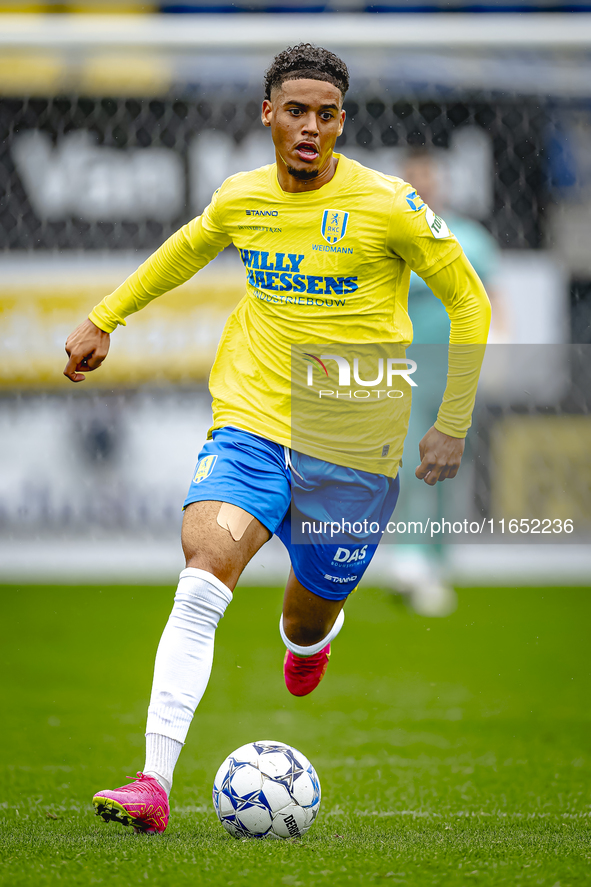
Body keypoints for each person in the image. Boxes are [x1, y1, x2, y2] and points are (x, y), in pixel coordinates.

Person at [63, 44, 491, 835]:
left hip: (353, 446)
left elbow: (469, 304)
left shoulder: (389, 205)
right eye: (295, 109)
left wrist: (450, 423)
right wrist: (104, 317)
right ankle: (152, 782)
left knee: (303, 616)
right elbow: (186, 249)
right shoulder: (241, 198)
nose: (309, 127)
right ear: (267, 112)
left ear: (340, 122)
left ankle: (313, 636)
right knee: (202, 573)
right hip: (252, 424)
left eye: (326, 114)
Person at [387, 148, 501, 617]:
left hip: (460, 371)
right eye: (413, 180)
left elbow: (490, 298)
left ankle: (436, 561)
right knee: (415, 454)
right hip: (408, 368)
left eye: (428, 179)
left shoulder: (470, 239)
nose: (423, 187)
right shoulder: (392, 238)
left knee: (452, 465)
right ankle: (410, 555)